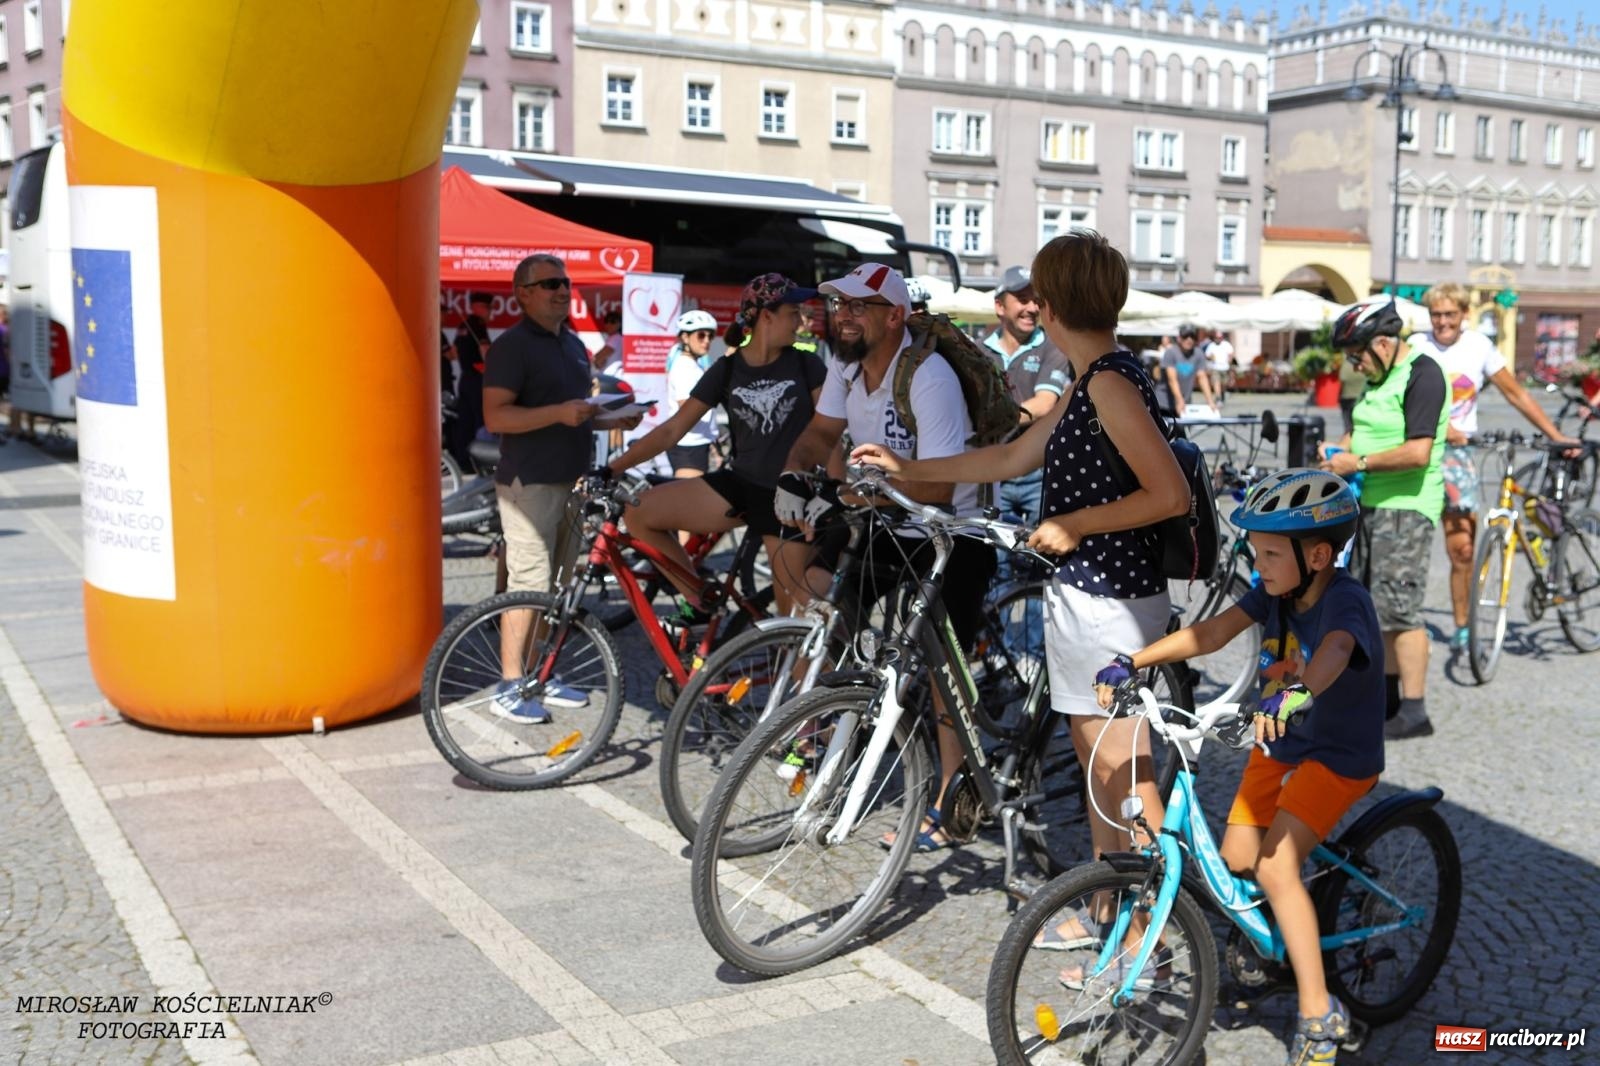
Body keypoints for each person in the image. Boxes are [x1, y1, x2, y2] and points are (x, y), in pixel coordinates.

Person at [847, 235, 1188, 855]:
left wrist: (1078, 523)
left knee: (1124, 776)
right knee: (1099, 770)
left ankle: (1153, 932)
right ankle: (1111, 911)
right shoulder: (1094, 378)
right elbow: (1008, 455)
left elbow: (1170, 494)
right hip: (1087, 593)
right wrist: (905, 466)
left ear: (1053, 307)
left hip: (1110, 598)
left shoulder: (1109, 383)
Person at [1091, 468, 1377, 1066]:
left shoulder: (1345, 598)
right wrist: (1134, 660)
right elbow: (1213, 631)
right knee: (1239, 860)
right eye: (1255, 549)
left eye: (1271, 552)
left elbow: (1336, 651)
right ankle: (1294, 920)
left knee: (1273, 870)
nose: (1259, 562)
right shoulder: (1272, 592)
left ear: (1318, 555)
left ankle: (1321, 1013)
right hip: (1280, 746)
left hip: (1337, 754)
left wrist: (1297, 694)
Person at [780, 262, 1000, 848]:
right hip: (888, 519)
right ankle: (825, 739)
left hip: (954, 530)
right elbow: (821, 433)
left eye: (858, 306)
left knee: (940, 669)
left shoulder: (929, 378)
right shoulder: (844, 365)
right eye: (839, 305)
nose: (843, 316)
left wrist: (849, 491)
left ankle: (955, 798)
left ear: (894, 316)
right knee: (841, 623)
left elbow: (936, 483)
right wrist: (794, 476)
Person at [604, 275, 825, 615]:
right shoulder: (727, 369)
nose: (800, 321)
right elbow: (672, 429)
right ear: (767, 315)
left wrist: (831, 488)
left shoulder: (806, 363)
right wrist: (610, 469)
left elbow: (828, 431)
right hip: (741, 485)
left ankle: (796, 668)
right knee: (638, 512)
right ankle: (699, 598)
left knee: (792, 620)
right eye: (793, 312)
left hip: (791, 496)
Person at [482, 253, 633, 721]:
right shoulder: (511, 346)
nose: (562, 290)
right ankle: (509, 684)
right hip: (529, 483)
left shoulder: (572, 344)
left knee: (559, 587)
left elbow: (577, 409)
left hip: (571, 480)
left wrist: (613, 416)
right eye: (549, 283)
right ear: (523, 294)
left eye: (565, 282)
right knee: (528, 583)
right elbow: (496, 416)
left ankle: (538, 673)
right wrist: (559, 413)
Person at [1406, 282, 1576, 651]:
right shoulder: (1417, 347)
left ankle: (1463, 624)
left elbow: (1515, 393)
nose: (1442, 322)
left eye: (1450, 314)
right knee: (1410, 544)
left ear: (1464, 315)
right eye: (1436, 314)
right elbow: (1397, 398)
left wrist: (1556, 435)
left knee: (1462, 549)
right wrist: (1440, 427)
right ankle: (1404, 623)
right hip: (1417, 451)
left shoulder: (1478, 347)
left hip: (1459, 458)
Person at [1319, 298, 1447, 741]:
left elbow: (1418, 451)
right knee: (1377, 608)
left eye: (1358, 354)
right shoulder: (1381, 377)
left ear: (1384, 342)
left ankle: (1415, 710)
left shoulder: (1423, 373)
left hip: (1407, 508)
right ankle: (1388, 701)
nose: (1355, 363)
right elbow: (1363, 429)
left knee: (1402, 610)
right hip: (1371, 504)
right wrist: (1339, 450)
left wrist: (1360, 462)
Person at [984, 265, 1072, 525]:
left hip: (1038, 472)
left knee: (1037, 559)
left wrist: (988, 420)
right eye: (1023, 299)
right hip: (993, 472)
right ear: (1000, 307)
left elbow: (1044, 404)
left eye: (1036, 300)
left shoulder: (1052, 347)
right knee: (996, 560)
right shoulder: (978, 350)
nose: (1033, 308)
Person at [660, 309, 721, 478]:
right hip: (687, 446)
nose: (706, 341)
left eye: (710, 336)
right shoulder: (684, 368)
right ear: (685, 338)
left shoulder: (694, 365)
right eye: (701, 335)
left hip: (696, 442)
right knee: (688, 501)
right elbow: (686, 409)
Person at [1156, 324, 1220, 417]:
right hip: (1164, 403)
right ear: (1179, 338)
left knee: (1183, 430)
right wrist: (1179, 400)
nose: (1189, 340)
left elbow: (1202, 378)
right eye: (1185, 336)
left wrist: (1210, 401)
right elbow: (1172, 380)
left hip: (1185, 403)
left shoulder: (1198, 353)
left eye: (1192, 337)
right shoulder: (1171, 352)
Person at [1206, 328, 1234, 403]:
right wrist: (1211, 357)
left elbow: (1231, 353)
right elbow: (1207, 355)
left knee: (1224, 384)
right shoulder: (1211, 345)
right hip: (1215, 367)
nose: (1218, 339)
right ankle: (1218, 398)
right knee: (1216, 382)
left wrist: (1230, 359)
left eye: (1219, 338)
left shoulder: (1226, 344)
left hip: (1225, 367)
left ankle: (1222, 394)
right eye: (1216, 338)